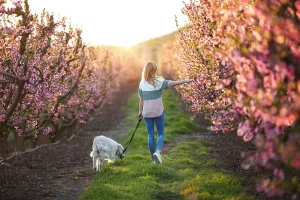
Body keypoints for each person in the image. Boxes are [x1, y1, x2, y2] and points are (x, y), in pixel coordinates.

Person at [138, 61, 192, 164]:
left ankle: (153, 159)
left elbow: (141, 99)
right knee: (161, 133)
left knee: (150, 135)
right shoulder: (159, 81)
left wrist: (140, 112)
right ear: (154, 70)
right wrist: (184, 81)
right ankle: (157, 152)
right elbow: (172, 83)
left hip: (147, 113)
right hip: (158, 111)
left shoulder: (142, 83)